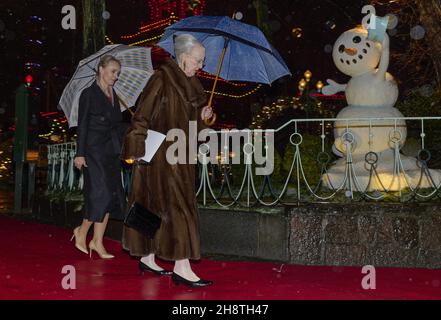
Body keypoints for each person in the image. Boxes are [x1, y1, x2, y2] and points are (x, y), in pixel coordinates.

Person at [122, 34, 213, 287]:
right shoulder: (161, 79)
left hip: (180, 155)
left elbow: (195, 128)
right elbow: (141, 116)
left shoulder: (194, 86)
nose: (201, 66)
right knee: (179, 209)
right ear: (183, 57)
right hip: (160, 157)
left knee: (154, 207)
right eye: (198, 60)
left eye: (202, 61)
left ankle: (148, 257)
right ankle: (182, 267)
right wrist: (136, 148)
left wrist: (204, 117)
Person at [71, 55, 127, 259]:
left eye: (118, 73)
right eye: (113, 71)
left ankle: (97, 241)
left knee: (111, 195)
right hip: (93, 151)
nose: (116, 76)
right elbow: (83, 124)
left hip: (111, 151)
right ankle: (82, 232)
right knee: (100, 194)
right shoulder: (88, 94)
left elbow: (118, 125)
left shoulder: (115, 96)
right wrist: (80, 153)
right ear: (101, 69)